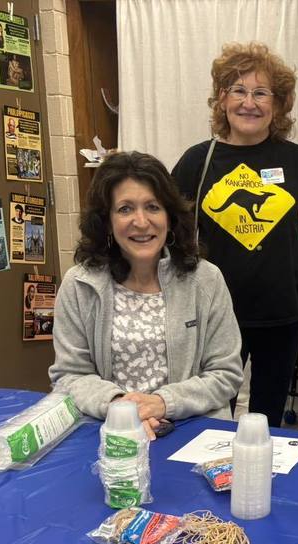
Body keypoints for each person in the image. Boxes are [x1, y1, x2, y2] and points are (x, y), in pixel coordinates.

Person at [171, 42, 298, 427]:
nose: (248, 102)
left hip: (281, 311)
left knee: (266, 419)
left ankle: (257, 481)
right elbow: (167, 226)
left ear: (278, 103)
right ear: (222, 100)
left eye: (260, 92)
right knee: (209, 413)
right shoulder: (198, 160)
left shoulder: (296, 159)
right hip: (214, 313)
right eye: (237, 90)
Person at [50, 151, 243, 439]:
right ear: (106, 221)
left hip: (191, 429)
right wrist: (121, 408)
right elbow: (69, 375)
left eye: (152, 207)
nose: (141, 222)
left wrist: (162, 403)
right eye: (125, 209)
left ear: (169, 215)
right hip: (109, 431)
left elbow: (225, 374)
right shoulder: (80, 284)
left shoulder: (205, 280)